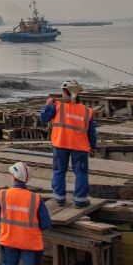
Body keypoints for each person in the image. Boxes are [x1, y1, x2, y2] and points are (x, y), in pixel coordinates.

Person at [38, 79, 97, 208]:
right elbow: (91, 132)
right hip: (80, 147)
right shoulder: (87, 111)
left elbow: (43, 118)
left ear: (65, 91)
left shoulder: (57, 106)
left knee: (59, 171)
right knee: (81, 173)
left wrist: (47, 105)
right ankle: (80, 200)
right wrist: (92, 146)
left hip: (60, 144)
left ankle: (59, 198)